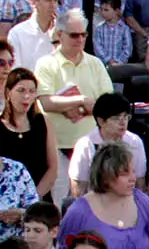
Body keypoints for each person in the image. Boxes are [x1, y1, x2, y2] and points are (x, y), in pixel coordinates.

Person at [35, 9, 112, 175]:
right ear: (60, 34)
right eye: (74, 35)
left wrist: (75, 107)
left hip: (92, 146)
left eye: (84, 35)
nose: (80, 39)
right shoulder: (46, 64)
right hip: (57, 147)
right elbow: (45, 103)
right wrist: (82, 100)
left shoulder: (96, 64)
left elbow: (107, 106)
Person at [0, 68, 60, 197]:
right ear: (8, 93)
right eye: (21, 90)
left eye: (32, 91)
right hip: (4, 198)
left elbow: (52, 169)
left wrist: (32, 198)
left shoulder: (42, 122)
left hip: (38, 199)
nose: (27, 96)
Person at [67, 94, 147, 197]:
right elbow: (78, 188)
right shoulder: (85, 145)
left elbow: (140, 182)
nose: (122, 122)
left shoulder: (135, 142)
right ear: (101, 121)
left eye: (126, 117)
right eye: (116, 118)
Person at [5, 0, 58, 71]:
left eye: (55, 1)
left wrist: (57, 41)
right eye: (48, 1)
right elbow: (15, 69)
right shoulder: (17, 33)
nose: (53, 5)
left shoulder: (64, 32)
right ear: (33, 2)